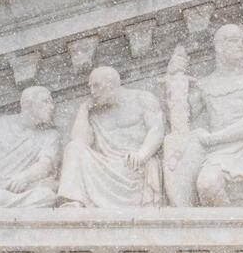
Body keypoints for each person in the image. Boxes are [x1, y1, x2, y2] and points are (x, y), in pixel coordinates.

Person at [164, 25, 243, 206]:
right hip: (218, 153)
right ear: (218, 47)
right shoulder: (204, 85)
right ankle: (230, 222)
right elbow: (180, 122)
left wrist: (213, 138)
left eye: (242, 41)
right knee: (207, 184)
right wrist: (175, 81)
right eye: (233, 40)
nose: (240, 45)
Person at [57, 66, 165, 208]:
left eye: (96, 86)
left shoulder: (141, 99)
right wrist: (83, 110)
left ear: (111, 84)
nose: (92, 92)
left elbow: (157, 129)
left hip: (132, 166)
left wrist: (142, 154)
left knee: (134, 165)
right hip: (103, 166)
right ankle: (74, 202)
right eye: (90, 87)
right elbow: (79, 141)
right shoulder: (95, 111)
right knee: (73, 148)